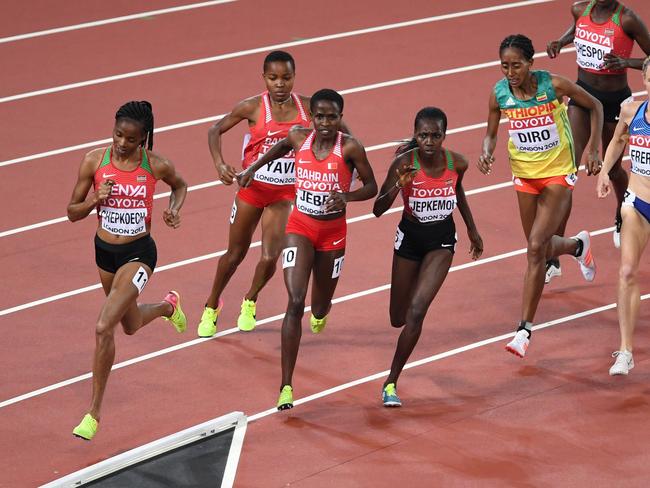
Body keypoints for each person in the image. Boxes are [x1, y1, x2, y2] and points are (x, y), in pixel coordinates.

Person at [238, 89, 377, 410]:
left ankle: (321, 313)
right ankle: (286, 386)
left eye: (332, 117)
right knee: (295, 301)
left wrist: (348, 197)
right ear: (311, 117)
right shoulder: (299, 137)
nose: (325, 123)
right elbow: (276, 150)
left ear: (340, 117)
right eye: (320, 116)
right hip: (300, 227)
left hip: (332, 234)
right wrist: (250, 170)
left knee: (320, 305)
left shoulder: (351, 147)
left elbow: (371, 186)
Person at [67, 101, 188, 440]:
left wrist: (174, 209)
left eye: (131, 139)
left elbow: (180, 185)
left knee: (104, 326)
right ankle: (169, 306)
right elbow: (71, 212)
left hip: (139, 253)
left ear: (144, 139)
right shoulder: (95, 161)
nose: (122, 143)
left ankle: (92, 414)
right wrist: (94, 200)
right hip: (104, 253)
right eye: (118, 134)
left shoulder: (157, 165)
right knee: (130, 324)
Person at [479, 34, 603, 358]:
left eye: (516, 65)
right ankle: (578, 246)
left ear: (531, 63)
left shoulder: (554, 86)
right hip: (524, 175)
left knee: (535, 248)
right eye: (504, 65)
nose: (510, 72)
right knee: (541, 248)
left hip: (559, 172)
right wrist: (486, 152)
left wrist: (594, 148)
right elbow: (491, 134)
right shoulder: (499, 94)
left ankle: (523, 330)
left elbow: (596, 106)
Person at [373, 107, 483, 407]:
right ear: (415, 135)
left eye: (436, 135)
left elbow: (457, 192)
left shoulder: (457, 162)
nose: (429, 141)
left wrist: (472, 230)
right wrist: (399, 184)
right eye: (423, 135)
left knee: (418, 310)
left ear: (444, 135)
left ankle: (391, 382)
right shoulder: (403, 163)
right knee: (398, 318)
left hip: (441, 241)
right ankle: (409, 320)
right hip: (409, 239)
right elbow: (378, 209)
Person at [198, 51, 311, 337]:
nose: (280, 84)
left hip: (285, 194)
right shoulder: (252, 107)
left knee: (271, 256)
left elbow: (339, 130)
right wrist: (219, 164)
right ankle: (212, 306)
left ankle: (250, 300)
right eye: (273, 78)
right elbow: (214, 130)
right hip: (252, 189)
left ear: (294, 77)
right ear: (264, 78)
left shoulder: (308, 107)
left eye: (286, 78)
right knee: (234, 254)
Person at [547, 0, 650, 274]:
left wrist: (627, 62)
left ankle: (621, 213)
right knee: (567, 170)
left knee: (613, 167)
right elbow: (576, 30)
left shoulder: (627, 19)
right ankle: (553, 256)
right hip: (583, 96)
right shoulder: (580, 9)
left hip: (615, 100)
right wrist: (561, 41)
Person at [598, 56, 650, 375]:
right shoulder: (633, 111)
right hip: (639, 201)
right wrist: (605, 172)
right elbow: (618, 140)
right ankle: (626, 351)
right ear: (644, 80)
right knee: (627, 271)